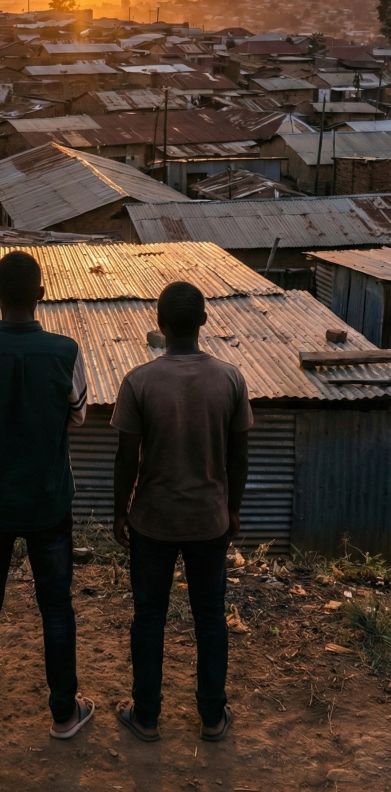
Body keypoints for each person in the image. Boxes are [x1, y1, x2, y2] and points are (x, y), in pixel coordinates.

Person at [0, 251, 94, 742]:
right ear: (41, 295)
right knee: (56, 607)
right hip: (49, 500)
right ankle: (64, 715)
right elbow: (77, 417)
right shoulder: (66, 351)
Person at [112, 280, 252, 743]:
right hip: (208, 521)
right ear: (204, 322)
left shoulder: (140, 380)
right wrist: (232, 510)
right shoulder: (230, 378)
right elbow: (239, 455)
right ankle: (212, 716)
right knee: (210, 617)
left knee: (148, 617)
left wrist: (119, 512)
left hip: (153, 520)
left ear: (160, 324)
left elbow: (125, 457)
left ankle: (146, 716)